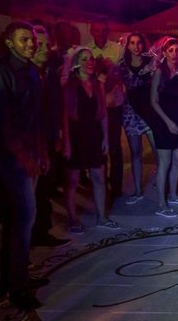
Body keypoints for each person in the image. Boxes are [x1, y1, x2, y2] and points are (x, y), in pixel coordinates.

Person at [0, 21, 49, 310]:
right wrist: (25, 158)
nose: (31, 44)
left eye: (33, 39)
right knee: (22, 219)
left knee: (21, 221)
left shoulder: (30, 70)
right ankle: (16, 288)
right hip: (11, 158)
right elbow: (4, 126)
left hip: (30, 153)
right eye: (24, 39)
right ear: (10, 43)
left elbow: (34, 118)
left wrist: (42, 152)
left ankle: (15, 279)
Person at [62, 47, 120, 234]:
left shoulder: (98, 85)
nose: (89, 62)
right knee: (72, 180)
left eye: (91, 59)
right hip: (76, 134)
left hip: (94, 134)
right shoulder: (70, 85)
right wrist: (67, 143)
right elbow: (64, 117)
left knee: (99, 177)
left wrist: (105, 138)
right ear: (77, 63)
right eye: (85, 59)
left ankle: (101, 217)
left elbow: (103, 114)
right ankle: (72, 219)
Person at [30, 24, 70, 247]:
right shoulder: (22, 74)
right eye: (41, 44)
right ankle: (28, 240)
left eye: (47, 44)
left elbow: (57, 106)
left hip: (49, 139)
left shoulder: (50, 75)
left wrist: (60, 136)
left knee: (45, 189)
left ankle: (41, 232)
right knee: (27, 196)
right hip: (29, 144)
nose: (46, 48)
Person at [149, 37, 178, 217]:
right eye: (170, 50)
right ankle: (161, 204)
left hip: (177, 120)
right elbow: (153, 101)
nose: (174, 54)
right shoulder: (159, 72)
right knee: (164, 162)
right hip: (162, 121)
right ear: (164, 53)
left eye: (177, 50)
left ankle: (174, 195)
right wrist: (167, 122)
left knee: (177, 160)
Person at [118, 32, 158, 205]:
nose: (136, 46)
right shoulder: (122, 65)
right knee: (135, 152)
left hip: (148, 110)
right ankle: (138, 190)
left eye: (139, 42)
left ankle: (160, 180)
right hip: (130, 112)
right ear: (127, 46)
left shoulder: (151, 63)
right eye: (132, 43)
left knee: (158, 150)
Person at [88, 20, 125, 199]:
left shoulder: (117, 50)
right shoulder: (86, 51)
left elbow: (119, 76)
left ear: (108, 31)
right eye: (97, 30)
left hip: (114, 105)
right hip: (95, 106)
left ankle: (116, 187)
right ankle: (99, 185)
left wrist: (111, 70)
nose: (100, 34)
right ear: (91, 31)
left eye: (103, 30)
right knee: (97, 145)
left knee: (115, 147)